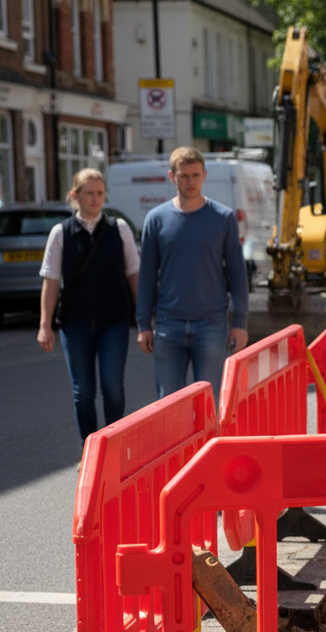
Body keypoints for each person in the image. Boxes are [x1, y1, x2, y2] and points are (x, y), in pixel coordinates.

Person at [136, 147, 249, 398]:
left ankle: (207, 441)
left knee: (209, 404)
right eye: (184, 176)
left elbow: (237, 275)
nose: (190, 182)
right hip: (168, 324)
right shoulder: (156, 219)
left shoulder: (223, 217)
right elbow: (146, 276)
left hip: (211, 324)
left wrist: (240, 323)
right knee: (168, 406)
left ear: (204, 176)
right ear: (171, 176)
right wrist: (144, 323)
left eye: (196, 175)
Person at [37, 168, 139, 444]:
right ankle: (90, 450)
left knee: (113, 388)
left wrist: (143, 318)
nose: (95, 199)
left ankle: (114, 448)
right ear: (75, 196)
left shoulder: (119, 229)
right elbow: (51, 281)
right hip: (75, 325)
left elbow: (134, 273)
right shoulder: (61, 233)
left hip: (113, 323)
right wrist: (45, 326)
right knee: (83, 393)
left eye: (100, 193)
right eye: (89, 193)